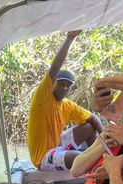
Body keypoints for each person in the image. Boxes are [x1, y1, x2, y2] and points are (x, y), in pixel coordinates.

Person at [27, 30, 105, 171]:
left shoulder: (67, 105)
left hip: (58, 145)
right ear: (53, 83)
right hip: (43, 157)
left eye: (68, 86)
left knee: (89, 127)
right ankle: (96, 166)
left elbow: (93, 118)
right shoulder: (42, 98)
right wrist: (70, 38)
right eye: (61, 84)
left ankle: (100, 160)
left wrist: (106, 139)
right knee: (78, 157)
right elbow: (55, 67)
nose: (64, 88)